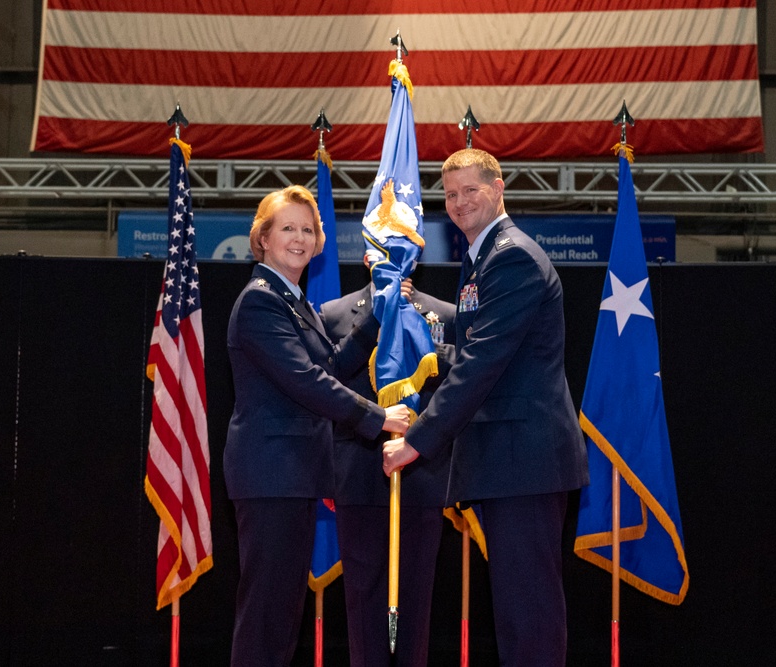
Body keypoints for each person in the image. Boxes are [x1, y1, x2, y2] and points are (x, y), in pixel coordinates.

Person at [382, 149, 589, 666]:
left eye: (470, 190)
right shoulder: (483, 256)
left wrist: (416, 441)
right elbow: (478, 351)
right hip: (510, 463)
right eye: (450, 194)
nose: (458, 202)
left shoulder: (511, 255)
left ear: (499, 188)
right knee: (517, 617)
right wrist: (424, 345)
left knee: (530, 617)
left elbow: (481, 366)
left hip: (525, 462)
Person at [224, 185, 410, 667]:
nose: (300, 238)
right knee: (267, 615)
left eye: (308, 229)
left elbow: (330, 363)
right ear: (263, 238)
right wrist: (377, 417)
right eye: (288, 228)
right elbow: (305, 381)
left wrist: (377, 310)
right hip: (272, 476)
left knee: (283, 613)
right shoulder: (260, 302)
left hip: (293, 476)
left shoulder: (295, 302)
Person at [319, 252, 456, 667]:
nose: (396, 256)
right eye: (386, 246)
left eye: (404, 246)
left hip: (421, 477)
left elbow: (460, 384)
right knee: (363, 603)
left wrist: (416, 336)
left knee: (416, 600)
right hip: (359, 477)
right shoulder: (336, 312)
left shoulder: (443, 314)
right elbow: (326, 384)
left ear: (416, 256)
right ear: (368, 255)